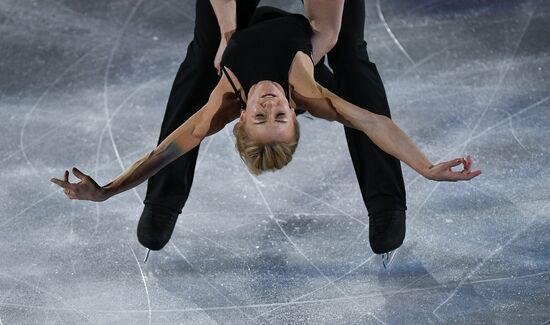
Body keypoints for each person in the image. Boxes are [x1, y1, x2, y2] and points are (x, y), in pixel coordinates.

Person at [50, 0, 481, 261]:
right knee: (343, 45)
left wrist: (106, 191)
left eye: (261, 117)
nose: (271, 106)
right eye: (281, 117)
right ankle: (164, 205)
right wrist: (425, 168)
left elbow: (165, 152)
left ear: (240, 117)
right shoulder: (306, 90)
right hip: (315, 32)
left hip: (240, 34)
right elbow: (373, 122)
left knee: (208, 53)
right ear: (296, 111)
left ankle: (385, 205)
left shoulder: (223, 103)